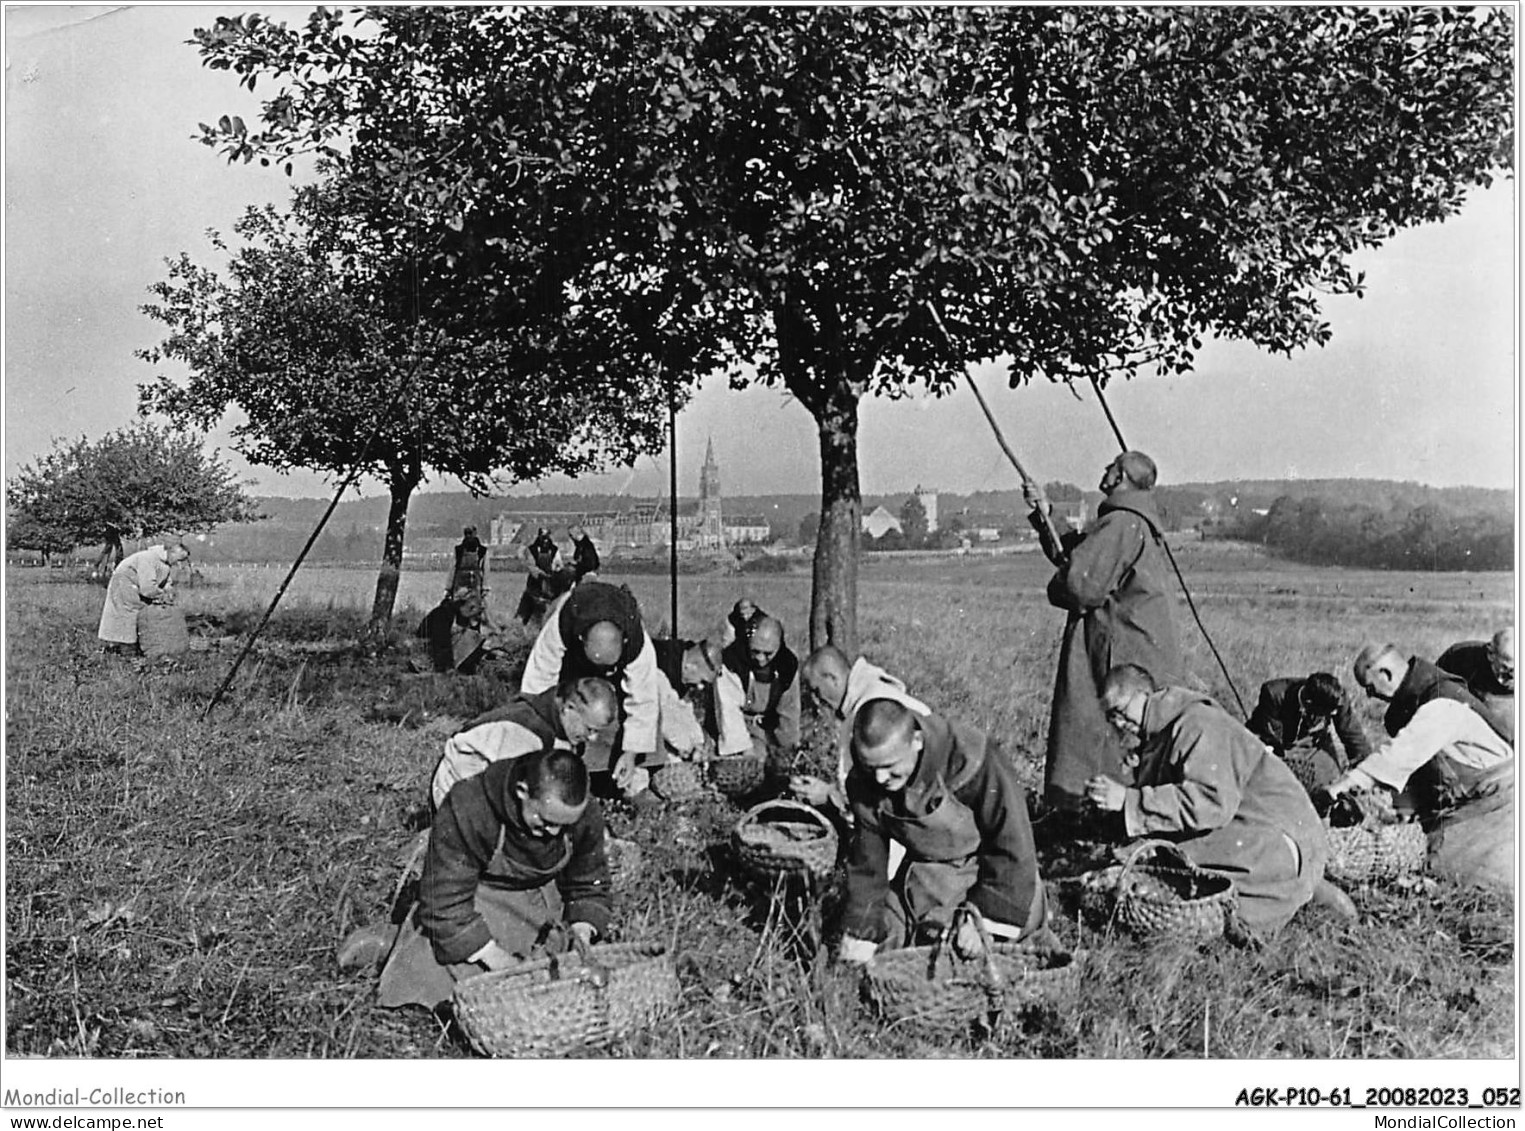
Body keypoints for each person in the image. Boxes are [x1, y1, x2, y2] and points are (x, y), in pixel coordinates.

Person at [1088, 664, 1333, 933]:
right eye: (1112, 718)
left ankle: (1302, 885)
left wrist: (1128, 800)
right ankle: (1303, 886)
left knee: (1207, 901)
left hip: (1280, 835)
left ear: (1144, 694)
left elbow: (1211, 804)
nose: (1120, 724)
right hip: (1258, 827)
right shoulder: (1163, 729)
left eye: (1122, 712)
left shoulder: (1197, 723)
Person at [374, 749, 613, 1012]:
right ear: (522, 791)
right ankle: (390, 945)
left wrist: (582, 935)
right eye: (545, 822)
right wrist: (500, 962)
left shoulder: (581, 812)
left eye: (563, 826)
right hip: (476, 901)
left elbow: (589, 880)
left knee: (560, 972)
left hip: (539, 904)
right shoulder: (470, 804)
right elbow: (445, 896)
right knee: (442, 974)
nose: (554, 832)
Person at [1025, 451, 1185, 813]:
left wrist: (1057, 586)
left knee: (1103, 733)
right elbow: (1081, 555)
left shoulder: (1121, 524)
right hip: (1136, 647)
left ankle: (1087, 814)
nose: (1105, 471)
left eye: (1112, 466)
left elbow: (1081, 583)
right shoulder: (1131, 523)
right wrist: (1044, 515)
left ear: (1121, 478)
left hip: (1119, 649)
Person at [837, 699, 1050, 964]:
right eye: (872, 767)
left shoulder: (970, 757)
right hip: (924, 876)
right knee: (876, 951)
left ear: (916, 740)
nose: (881, 779)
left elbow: (1013, 843)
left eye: (891, 766)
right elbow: (868, 864)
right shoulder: (864, 781)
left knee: (983, 958)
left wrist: (983, 918)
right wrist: (861, 931)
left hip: (989, 872)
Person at [1326, 644, 1513, 891]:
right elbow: (1421, 773)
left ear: (1386, 674)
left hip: (1500, 804)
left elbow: (1397, 757)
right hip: (1469, 800)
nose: (1371, 696)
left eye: (1370, 688)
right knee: (1427, 851)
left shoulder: (1441, 703)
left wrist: (1338, 788)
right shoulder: (1419, 699)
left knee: (1451, 868)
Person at [519, 581, 662, 798]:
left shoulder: (637, 644)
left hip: (619, 673)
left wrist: (631, 752)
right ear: (582, 639)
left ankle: (623, 780)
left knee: (610, 715)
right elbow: (538, 682)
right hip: (573, 666)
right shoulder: (562, 624)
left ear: (623, 640)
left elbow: (644, 699)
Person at [431, 678, 620, 810]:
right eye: (590, 729)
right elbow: (513, 796)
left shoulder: (555, 716)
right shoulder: (525, 734)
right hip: (456, 793)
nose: (592, 738)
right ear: (569, 708)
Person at [791, 644, 931, 818]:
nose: (815, 700)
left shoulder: (864, 716)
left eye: (816, 690)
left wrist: (828, 795)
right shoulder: (873, 690)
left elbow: (868, 801)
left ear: (832, 678)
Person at [1246, 672, 1373, 795]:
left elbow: (1352, 734)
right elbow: (1272, 738)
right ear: (1309, 704)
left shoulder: (1337, 697)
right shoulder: (1273, 693)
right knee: (1277, 783)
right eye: (1328, 711)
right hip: (1273, 741)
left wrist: (1367, 770)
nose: (1334, 714)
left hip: (1314, 743)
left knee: (1330, 781)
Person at [652, 636, 752, 761]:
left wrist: (699, 742)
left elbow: (683, 709)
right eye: (702, 681)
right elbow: (666, 717)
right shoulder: (660, 666)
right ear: (691, 665)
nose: (700, 687)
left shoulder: (684, 667)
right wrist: (688, 747)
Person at [720, 614, 801, 763]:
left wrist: (789, 751)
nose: (760, 659)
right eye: (755, 651)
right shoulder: (731, 661)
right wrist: (746, 751)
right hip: (735, 727)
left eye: (768, 653)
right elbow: (728, 711)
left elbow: (789, 713)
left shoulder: (788, 666)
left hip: (766, 728)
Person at [97, 542, 190, 655]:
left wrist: (169, 591)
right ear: (171, 552)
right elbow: (147, 588)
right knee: (128, 615)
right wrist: (162, 595)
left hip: (136, 586)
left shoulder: (166, 563)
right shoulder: (149, 558)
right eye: (179, 559)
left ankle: (133, 646)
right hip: (125, 583)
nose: (179, 564)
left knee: (140, 614)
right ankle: (126, 649)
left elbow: (165, 581)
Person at [1438, 628, 1515, 744]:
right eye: (1506, 669)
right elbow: (1433, 690)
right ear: (1490, 654)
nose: (1513, 677)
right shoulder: (1461, 657)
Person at [413, 587, 505, 674]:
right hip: (428, 651)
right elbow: (442, 644)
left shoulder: (458, 615)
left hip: (445, 652)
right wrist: (448, 667)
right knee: (471, 637)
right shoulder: (442, 615)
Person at [515, 527, 570, 625]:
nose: (545, 539)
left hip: (550, 582)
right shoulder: (531, 549)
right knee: (527, 605)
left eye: (546, 536)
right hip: (535, 582)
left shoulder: (554, 549)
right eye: (543, 536)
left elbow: (558, 563)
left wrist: (556, 570)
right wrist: (540, 574)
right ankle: (520, 624)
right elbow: (531, 565)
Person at [450, 526, 488, 596]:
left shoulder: (482, 551)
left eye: (470, 533)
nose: (468, 536)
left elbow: (485, 569)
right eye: (466, 533)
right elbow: (453, 569)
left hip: (476, 587)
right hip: (460, 587)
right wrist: (448, 588)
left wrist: (485, 588)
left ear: (475, 534)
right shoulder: (458, 550)